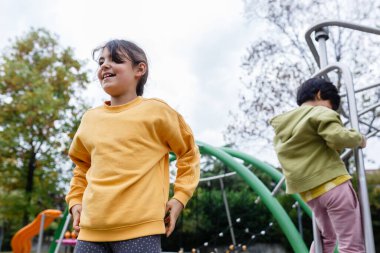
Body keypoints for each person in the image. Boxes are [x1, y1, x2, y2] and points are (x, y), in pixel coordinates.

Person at [65, 39, 200, 253]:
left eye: (115, 59)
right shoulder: (90, 119)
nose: (104, 65)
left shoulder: (157, 112)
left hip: (140, 232)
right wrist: (74, 201)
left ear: (140, 69)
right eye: (101, 61)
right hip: (90, 232)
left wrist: (180, 198)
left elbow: (189, 153)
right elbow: (82, 167)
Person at [270, 78, 366, 253]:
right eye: (331, 107)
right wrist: (358, 138)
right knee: (350, 242)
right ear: (320, 95)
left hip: (310, 193)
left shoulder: (282, 128)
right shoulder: (319, 113)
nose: (330, 111)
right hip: (334, 185)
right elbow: (338, 137)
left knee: (326, 238)